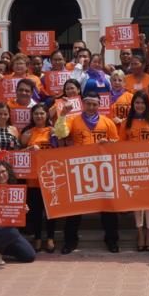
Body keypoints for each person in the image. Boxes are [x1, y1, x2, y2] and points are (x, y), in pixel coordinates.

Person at [60, 91, 121, 254]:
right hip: (78, 169)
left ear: (99, 105)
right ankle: (70, 241)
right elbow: (61, 134)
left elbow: (117, 145)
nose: (91, 107)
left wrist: (108, 143)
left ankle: (112, 240)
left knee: (107, 206)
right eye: (88, 104)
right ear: (83, 104)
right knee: (75, 207)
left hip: (102, 169)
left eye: (95, 104)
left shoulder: (108, 123)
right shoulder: (73, 120)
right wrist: (62, 115)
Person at [119, 91, 149, 251]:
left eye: (142, 103)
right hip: (133, 168)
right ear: (133, 105)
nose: (139, 105)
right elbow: (120, 145)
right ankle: (140, 232)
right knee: (136, 201)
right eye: (137, 103)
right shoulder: (126, 123)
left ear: (147, 105)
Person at [0, 161, 37, 266]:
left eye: (3, 171)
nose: (1, 175)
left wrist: (23, 211)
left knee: (29, 256)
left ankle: (1, 248)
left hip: (8, 230)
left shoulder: (14, 189)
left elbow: (16, 216)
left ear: (8, 172)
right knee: (12, 231)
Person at [20, 103, 58, 253]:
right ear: (32, 116)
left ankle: (50, 238)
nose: (39, 116)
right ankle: (37, 239)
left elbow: (60, 149)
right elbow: (19, 153)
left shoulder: (53, 131)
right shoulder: (27, 133)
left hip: (50, 178)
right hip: (33, 179)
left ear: (47, 115)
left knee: (51, 211)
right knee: (35, 212)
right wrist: (28, 149)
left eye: (42, 113)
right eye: (36, 114)